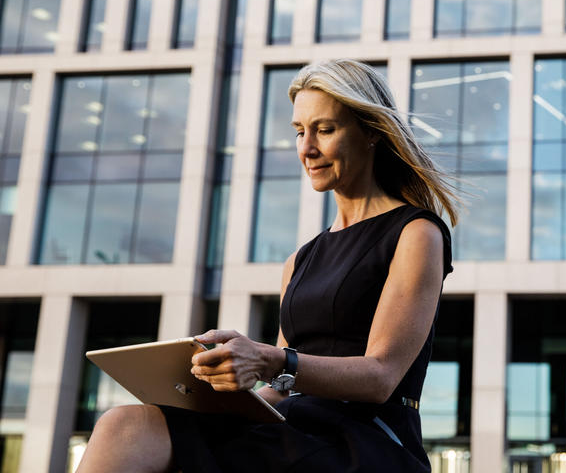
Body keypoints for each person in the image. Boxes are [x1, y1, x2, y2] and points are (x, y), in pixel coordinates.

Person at [76, 59, 460, 472]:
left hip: (364, 441)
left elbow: (381, 375)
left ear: (370, 132)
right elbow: (280, 387)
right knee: (125, 424)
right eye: (299, 132)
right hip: (293, 427)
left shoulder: (416, 233)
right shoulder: (301, 259)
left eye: (325, 130)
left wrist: (268, 360)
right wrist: (224, 385)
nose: (307, 148)